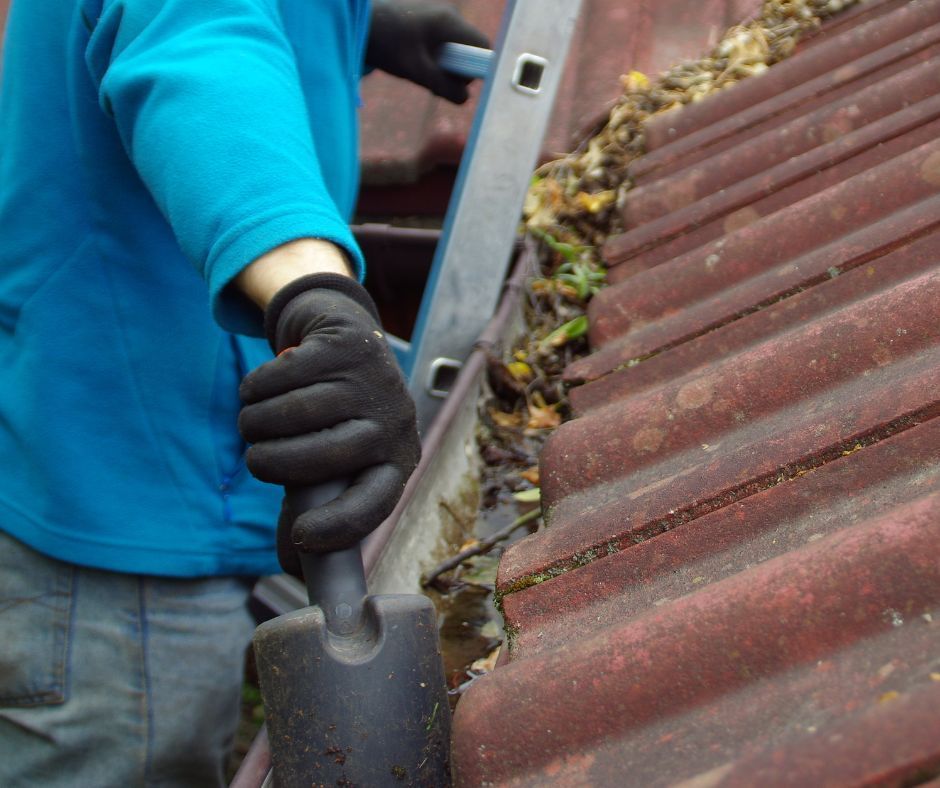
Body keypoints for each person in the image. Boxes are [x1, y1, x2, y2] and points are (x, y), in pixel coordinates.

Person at [0, 1, 487, 785]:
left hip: (123, 461)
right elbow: (203, 54)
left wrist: (356, 28)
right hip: (123, 529)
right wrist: (315, 298)